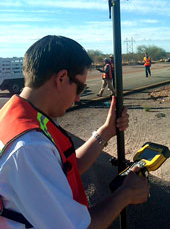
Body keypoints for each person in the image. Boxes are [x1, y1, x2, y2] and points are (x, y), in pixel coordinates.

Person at [0, 35, 149, 229]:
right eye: (80, 87)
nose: (78, 98)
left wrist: (106, 131)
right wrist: (125, 194)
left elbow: (68, 166)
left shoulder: (18, 115)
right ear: (61, 78)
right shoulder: (29, 147)